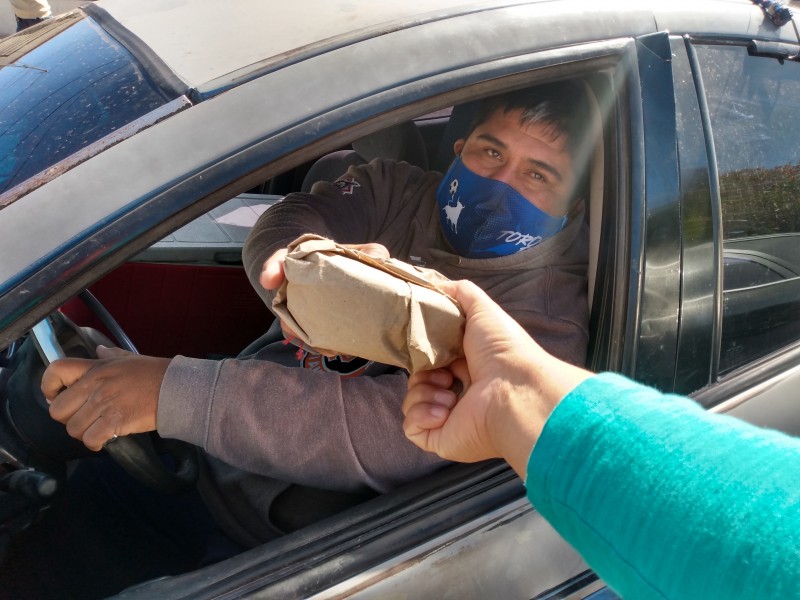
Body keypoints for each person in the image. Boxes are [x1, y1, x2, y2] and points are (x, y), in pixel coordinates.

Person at [41, 82, 593, 554]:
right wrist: (305, 266)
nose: (501, 183)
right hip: (207, 445)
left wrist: (173, 394)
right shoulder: (395, 187)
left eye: (538, 175)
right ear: (459, 148)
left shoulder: (544, 323)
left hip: (273, 536)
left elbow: (388, 434)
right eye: (490, 153)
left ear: (577, 200)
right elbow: (294, 217)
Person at [402, 279, 800, 599]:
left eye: (539, 174)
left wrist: (511, 396)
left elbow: (771, 552)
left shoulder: (552, 307)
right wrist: (506, 395)